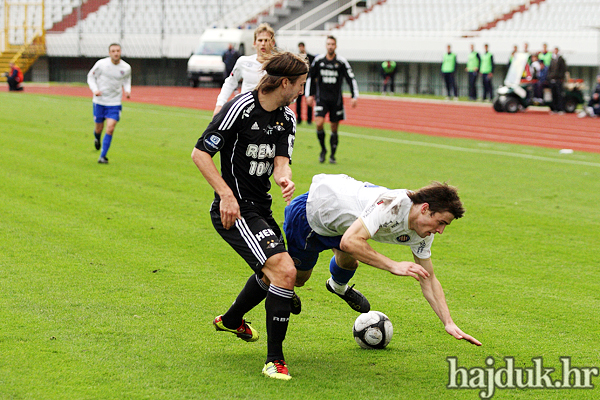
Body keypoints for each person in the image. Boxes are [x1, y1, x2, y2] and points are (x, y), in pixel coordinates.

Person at [191, 51, 309, 381]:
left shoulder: (288, 118)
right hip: (234, 209)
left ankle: (231, 320)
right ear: (285, 83)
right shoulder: (240, 109)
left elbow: (281, 161)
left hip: (260, 208)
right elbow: (200, 154)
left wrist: (284, 177)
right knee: (284, 272)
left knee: (280, 274)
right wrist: (225, 195)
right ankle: (274, 360)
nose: (302, 91)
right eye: (300, 84)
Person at [283, 174, 482, 346]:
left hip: (346, 226)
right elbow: (350, 241)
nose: (440, 231)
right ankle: (281, 286)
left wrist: (448, 322)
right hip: (312, 215)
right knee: (299, 279)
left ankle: (337, 287)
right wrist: (393, 265)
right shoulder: (392, 205)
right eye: (441, 222)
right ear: (425, 208)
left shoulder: (423, 233)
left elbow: (428, 278)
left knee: (350, 261)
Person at [306, 35, 359, 164]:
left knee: (334, 128)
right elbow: (310, 78)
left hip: (336, 100)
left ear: (335, 46)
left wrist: (354, 95)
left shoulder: (341, 62)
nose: (330, 46)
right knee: (319, 123)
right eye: (328, 44)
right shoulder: (319, 61)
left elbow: (350, 78)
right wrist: (309, 95)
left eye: (332, 44)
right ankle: (323, 149)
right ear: (326, 45)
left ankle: (332, 155)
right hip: (321, 99)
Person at [213, 23, 275, 116]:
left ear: (272, 43)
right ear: (254, 43)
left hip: (269, 114)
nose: (263, 43)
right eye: (260, 40)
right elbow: (230, 82)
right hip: (246, 114)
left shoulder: (279, 65)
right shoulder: (243, 62)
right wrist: (220, 104)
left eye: (266, 40)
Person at [87, 43, 132, 164]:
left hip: (115, 102)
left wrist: (127, 90)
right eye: (113, 51)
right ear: (109, 53)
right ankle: (97, 138)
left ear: (120, 52)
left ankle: (102, 156)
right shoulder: (101, 64)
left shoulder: (126, 67)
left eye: (118, 51)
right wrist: (95, 90)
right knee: (99, 128)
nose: (116, 53)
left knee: (110, 128)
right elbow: (90, 77)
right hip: (100, 101)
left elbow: (127, 80)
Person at [296, 42, 314, 124]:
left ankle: (309, 119)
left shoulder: (310, 57)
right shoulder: (296, 57)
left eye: (302, 47)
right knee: (298, 101)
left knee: (309, 100)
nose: (301, 48)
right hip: (299, 82)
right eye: (299, 47)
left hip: (308, 82)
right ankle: (299, 118)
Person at [547, 46, 567, 114]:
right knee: (553, 95)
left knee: (559, 95)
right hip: (552, 79)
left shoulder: (561, 59)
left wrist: (561, 78)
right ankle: (554, 109)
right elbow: (550, 69)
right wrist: (549, 77)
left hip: (558, 80)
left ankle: (560, 109)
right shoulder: (552, 59)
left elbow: (563, 69)